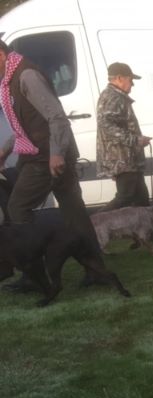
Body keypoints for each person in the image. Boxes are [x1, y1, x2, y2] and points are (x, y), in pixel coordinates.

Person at [0, 40, 103, 260]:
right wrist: (5, 150)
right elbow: (25, 125)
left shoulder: (26, 76)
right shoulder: (12, 78)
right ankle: (95, 267)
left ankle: (34, 269)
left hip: (45, 156)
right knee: (73, 210)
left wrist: (56, 154)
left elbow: (56, 117)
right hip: (46, 152)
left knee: (18, 207)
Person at [96, 62, 151, 210]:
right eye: (130, 79)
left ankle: (145, 232)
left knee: (141, 199)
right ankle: (94, 226)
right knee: (126, 197)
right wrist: (136, 140)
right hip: (122, 159)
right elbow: (106, 126)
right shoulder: (113, 97)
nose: (132, 84)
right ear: (119, 78)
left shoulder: (115, 96)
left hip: (128, 159)